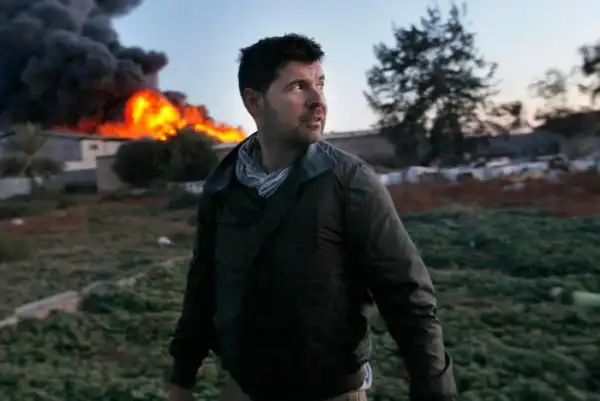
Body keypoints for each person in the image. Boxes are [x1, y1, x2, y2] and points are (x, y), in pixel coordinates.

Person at [167, 33, 456, 401]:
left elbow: (408, 297)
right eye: (298, 86)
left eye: (320, 84)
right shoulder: (224, 185)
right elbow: (203, 287)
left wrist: (435, 390)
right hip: (244, 389)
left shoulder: (349, 182)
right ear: (254, 101)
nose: (318, 100)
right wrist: (182, 375)